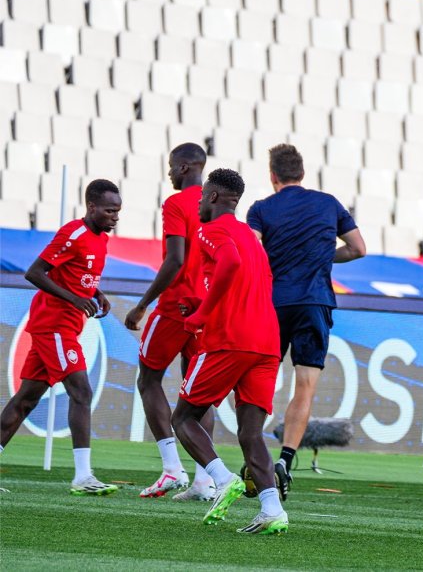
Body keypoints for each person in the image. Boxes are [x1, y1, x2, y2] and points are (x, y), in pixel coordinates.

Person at [171, 168, 287, 534]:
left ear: (216, 197)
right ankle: (272, 509)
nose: (200, 202)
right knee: (250, 432)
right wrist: (207, 303)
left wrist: (203, 315)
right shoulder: (252, 239)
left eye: (203, 196)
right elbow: (249, 281)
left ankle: (222, 479)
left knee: (183, 418)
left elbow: (229, 264)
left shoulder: (211, 229)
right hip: (266, 344)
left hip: (229, 341)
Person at [247, 144, 366, 495]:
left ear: (273, 176)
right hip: (315, 302)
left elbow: (251, 251)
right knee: (306, 386)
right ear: (301, 173)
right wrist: (322, 257)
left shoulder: (261, 209)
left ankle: (256, 456)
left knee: (261, 378)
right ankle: (285, 459)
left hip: (274, 303)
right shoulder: (328, 203)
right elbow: (359, 248)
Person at [0, 180, 121, 495]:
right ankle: (83, 476)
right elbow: (35, 272)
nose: (115, 217)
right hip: (54, 325)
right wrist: (73, 298)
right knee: (81, 390)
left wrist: (96, 291)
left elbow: (78, 274)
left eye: (118, 211)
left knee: (25, 400)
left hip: (64, 326)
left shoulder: (100, 239)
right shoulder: (72, 234)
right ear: (91, 207)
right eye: (109, 210)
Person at [124, 143, 218, 500]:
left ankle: (171, 469)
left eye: (169, 166)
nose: (168, 172)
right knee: (199, 396)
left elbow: (175, 259)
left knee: (148, 379)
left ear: (182, 168)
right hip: (205, 310)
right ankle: (204, 481)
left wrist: (142, 305)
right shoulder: (216, 205)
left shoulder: (177, 203)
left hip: (175, 306)